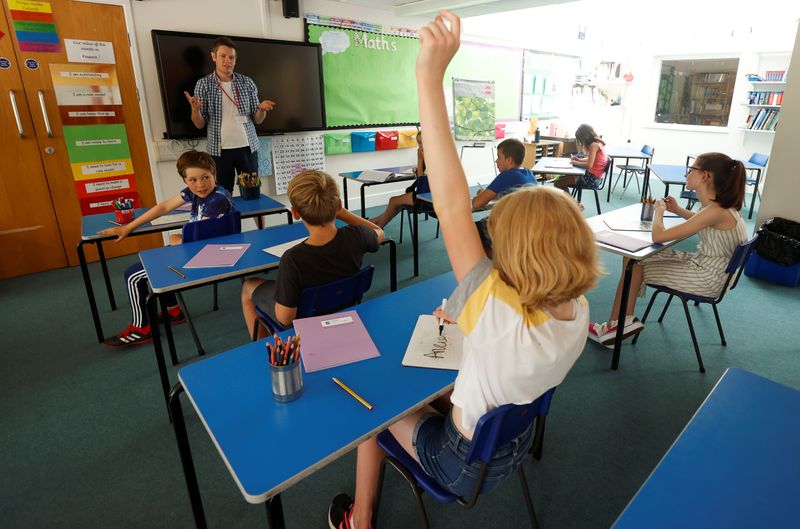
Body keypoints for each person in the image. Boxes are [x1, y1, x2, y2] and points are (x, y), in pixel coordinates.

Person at [326, 12, 601, 529]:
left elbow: (452, 206)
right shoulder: (577, 308)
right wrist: (467, 314)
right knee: (445, 376)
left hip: (459, 463)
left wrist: (430, 78)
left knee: (372, 417)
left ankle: (359, 520)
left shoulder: (496, 307)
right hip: (511, 444)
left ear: (514, 258)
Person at [589, 152, 748, 346]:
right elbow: (702, 221)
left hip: (707, 277)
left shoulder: (715, 211)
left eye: (692, 170)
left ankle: (620, 324)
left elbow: (658, 236)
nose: (686, 174)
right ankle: (617, 324)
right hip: (713, 269)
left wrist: (659, 212)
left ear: (705, 176)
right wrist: (678, 210)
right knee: (633, 259)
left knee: (634, 264)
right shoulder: (720, 207)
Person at [98, 150, 236, 348]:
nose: (200, 184)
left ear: (214, 175)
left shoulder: (218, 199)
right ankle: (172, 310)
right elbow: (163, 207)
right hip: (198, 250)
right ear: (185, 180)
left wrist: (180, 239)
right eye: (193, 179)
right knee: (162, 257)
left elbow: (200, 236)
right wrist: (129, 227)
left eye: (206, 177)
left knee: (132, 275)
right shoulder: (195, 192)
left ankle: (141, 328)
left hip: (209, 256)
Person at [241, 170, 384, 337]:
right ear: (338, 205)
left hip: (306, 318)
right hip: (344, 304)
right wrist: (343, 213)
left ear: (295, 213)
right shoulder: (357, 235)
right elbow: (378, 231)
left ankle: (261, 349)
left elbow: (285, 319)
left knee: (248, 286)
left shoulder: (292, 260)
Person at [183, 36, 276, 193]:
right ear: (214, 57)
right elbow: (199, 124)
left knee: (253, 192)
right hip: (219, 151)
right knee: (222, 193)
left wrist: (261, 109)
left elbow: (258, 120)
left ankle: (258, 218)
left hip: (248, 148)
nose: (228, 61)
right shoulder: (203, 84)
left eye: (231, 57)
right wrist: (195, 109)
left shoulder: (247, 82)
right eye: (223, 56)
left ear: (235, 59)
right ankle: (229, 219)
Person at [472, 138, 537, 253]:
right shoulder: (528, 173)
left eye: (499, 157)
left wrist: (481, 194)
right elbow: (512, 195)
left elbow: (477, 203)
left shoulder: (506, 176)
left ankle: (496, 261)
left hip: (512, 226)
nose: (496, 161)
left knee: (472, 230)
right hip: (530, 225)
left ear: (509, 160)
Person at [369, 131, 428, 229]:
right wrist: (420, 166)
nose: (420, 147)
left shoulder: (432, 161)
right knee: (398, 203)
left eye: (423, 143)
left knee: (393, 201)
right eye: (419, 143)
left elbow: (422, 188)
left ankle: (377, 230)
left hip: (427, 200)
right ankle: (372, 222)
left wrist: (420, 160)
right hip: (431, 196)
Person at [554, 123, 608, 193]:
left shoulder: (593, 145)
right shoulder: (598, 143)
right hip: (594, 178)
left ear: (584, 137)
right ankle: (571, 202)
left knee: (558, 183)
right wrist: (578, 159)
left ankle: (571, 203)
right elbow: (592, 160)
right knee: (561, 178)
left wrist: (574, 162)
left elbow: (589, 165)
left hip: (591, 179)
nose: (581, 142)